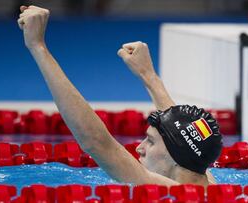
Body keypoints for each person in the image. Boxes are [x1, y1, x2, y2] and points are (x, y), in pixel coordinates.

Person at [17, 5, 223, 187]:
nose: (139, 148)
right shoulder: (207, 181)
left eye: (150, 142)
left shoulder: (168, 191)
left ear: (176, 158)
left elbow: (96, 142)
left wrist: (38, 47)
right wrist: (148, 76)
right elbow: (184, 140)